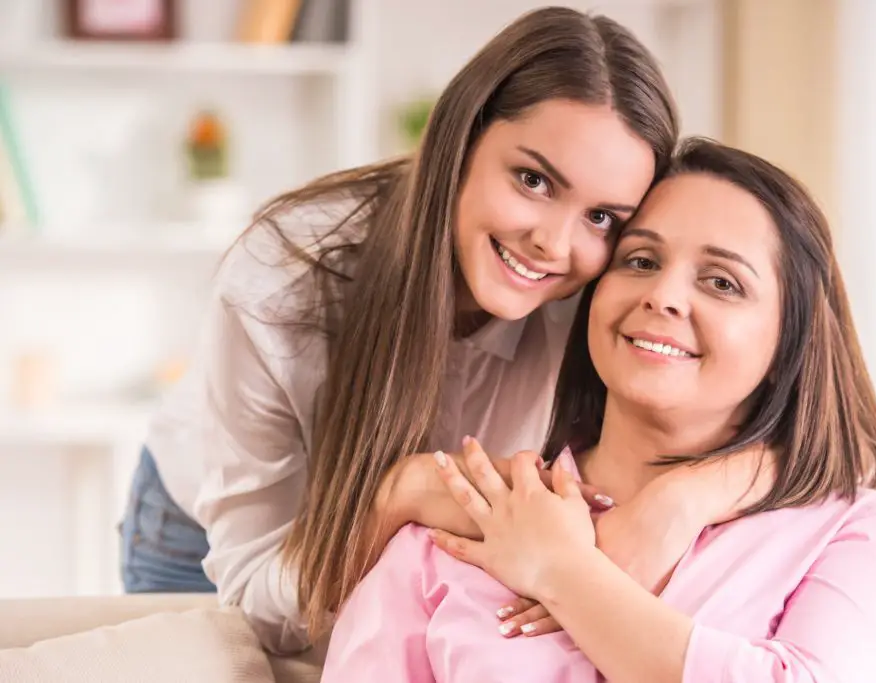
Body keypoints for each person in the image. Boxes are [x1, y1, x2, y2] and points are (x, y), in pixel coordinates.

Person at [118, 6, 679, 654]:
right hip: (212, 541)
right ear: (461, 138)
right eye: (533, 179)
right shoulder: (280, 282)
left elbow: (796, 423)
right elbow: (261, 611)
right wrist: (399, 495)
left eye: (603, 217)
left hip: (409, 547)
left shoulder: (602, 297)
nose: (554, 243)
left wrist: (683, 500)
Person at [320, 138, 876, 683]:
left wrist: (565, 573)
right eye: (639, 261)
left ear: (791, 337)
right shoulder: (456, 527)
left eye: (721, 282)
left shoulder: (850, 532)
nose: (662, 296)